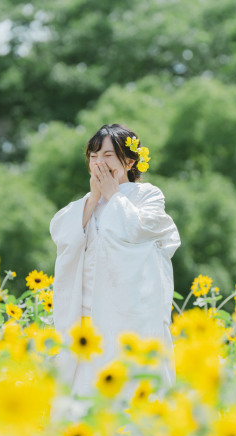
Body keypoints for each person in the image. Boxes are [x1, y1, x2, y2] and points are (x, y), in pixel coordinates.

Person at [49, 124, 180, 397]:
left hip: (131, 318)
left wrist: (112, 195)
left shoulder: (148, 196)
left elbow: (137, 230)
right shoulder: (87, 203)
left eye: (108, 155)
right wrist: (96, 197)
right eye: (94, 156)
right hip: (87, 319)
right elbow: (64, 235)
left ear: (129, 161)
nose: (99, 162)